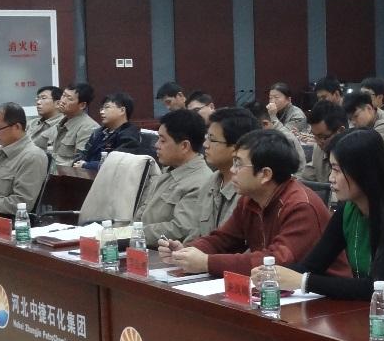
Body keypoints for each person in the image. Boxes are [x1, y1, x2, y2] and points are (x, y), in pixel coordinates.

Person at [268, 129, 384, 318]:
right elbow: (312, 266)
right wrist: (269, 275)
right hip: (374, 313)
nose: (331, 178)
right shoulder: (349, 210)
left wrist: (303, 282)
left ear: (363, 172)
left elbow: (376, 287)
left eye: (337, 170)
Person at [159, 130, 335, 277]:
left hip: (321, 297)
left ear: (265, 174)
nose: (232, 170)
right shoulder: (250, 199)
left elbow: (277, 261)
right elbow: (223, 240)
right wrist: (186, 251)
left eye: (238, 164)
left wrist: (207, 262)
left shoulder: (301, 206)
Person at [135, 108, 213, 245]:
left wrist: (134, 234)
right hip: (142, 244)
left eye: (163, 140)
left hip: (164, 251)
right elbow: (143, 213)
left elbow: (180, 229)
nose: (156, 145)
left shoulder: (201, 182)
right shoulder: (169, 170)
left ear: (184, 146)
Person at [198, 106, 259, 235]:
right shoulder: (210, 182)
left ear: (236, 148)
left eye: (212, 139)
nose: (205, 144)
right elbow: (196, 232)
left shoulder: (251, 191)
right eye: (206, 137)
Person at [77, 92, 145, 169]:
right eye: (101, 109)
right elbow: (84, 153)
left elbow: (116, 163)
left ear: (122, 110)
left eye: (107, 107)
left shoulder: (129, 136)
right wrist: (78, 162)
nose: (101, 112)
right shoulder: (98, 132)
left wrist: (87, 165)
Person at [52, 83, 100, 165]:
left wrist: (52, 168)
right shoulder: (61, 121)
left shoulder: (88, 127)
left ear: (82, 105)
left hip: (66, 171)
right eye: (63, 95)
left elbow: (79, 161)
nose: (63, 101)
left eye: (69, 99)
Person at [303, 101, 348, 187]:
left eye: (323, 137)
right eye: (314, 136)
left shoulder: (353, 156)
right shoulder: (319, 148)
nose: (318, 142)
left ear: (341, 131)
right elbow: (309, 176)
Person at [26, 86, 63, 151]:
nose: (38, 102)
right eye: (37, 99)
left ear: (58, 103)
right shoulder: (31, 123)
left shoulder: (63, 125)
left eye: (43, 98)